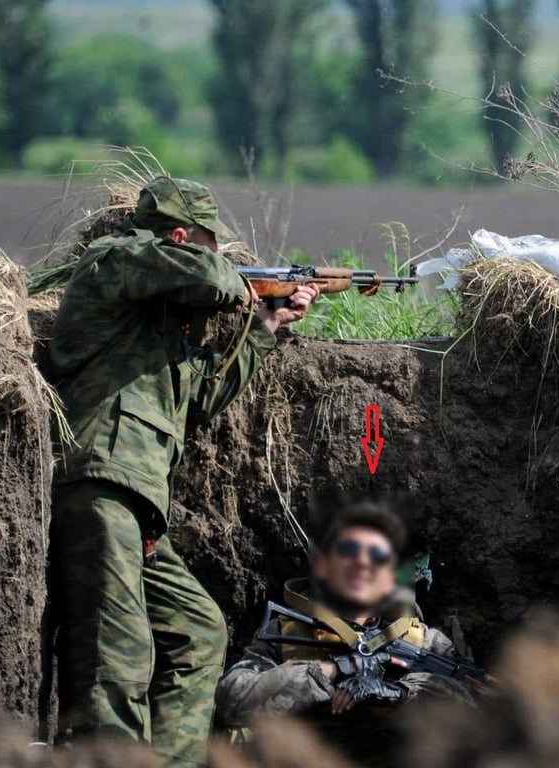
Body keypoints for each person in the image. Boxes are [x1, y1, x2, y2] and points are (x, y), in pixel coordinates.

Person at [45, 176, 319, 767]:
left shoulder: (158, 328)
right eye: (210, 244)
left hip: (137, 500)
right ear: (178, 237)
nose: (219, 258)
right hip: (102, 482)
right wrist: (249, 283)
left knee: (198, 632)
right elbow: (208, 276)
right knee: (117, 658)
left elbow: (196, 404)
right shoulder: (113, 260)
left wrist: (266, 326)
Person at [215, 503, 475, 765]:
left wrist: (398, 693)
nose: (362, 563)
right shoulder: (287, 632)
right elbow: (232, 700)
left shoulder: (424, 642)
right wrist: (331, 671)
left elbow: (480, 709)